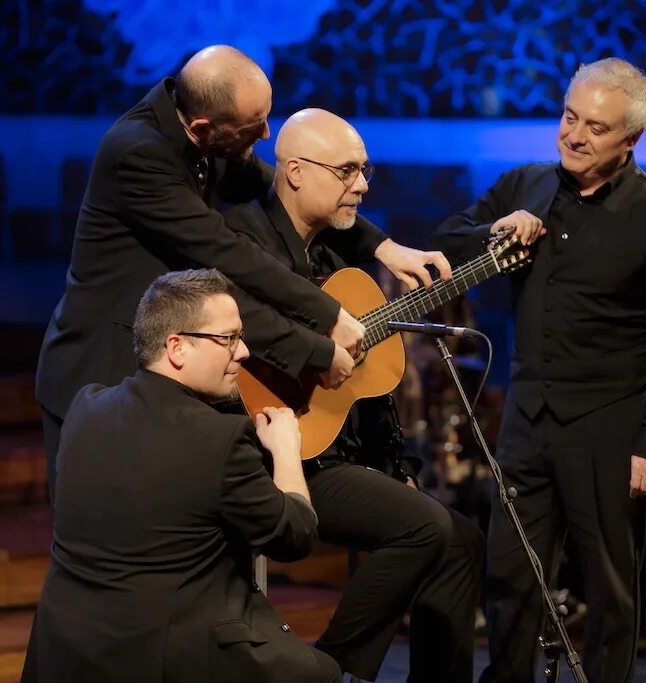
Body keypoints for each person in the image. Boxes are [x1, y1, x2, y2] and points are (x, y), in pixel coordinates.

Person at [35, 44, 448, 500]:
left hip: (159, 371)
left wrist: (383, 247)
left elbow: (286, 190)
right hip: (100, 368)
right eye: (255, 128)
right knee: (104, 533)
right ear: (203, 127)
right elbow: (226, 250)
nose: (267, 135)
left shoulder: (209, 133)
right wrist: (329, 316)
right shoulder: (137, 155)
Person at [430, 58, 646, 683]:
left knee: (609, 588)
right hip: (528, 419)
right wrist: (496, 231)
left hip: (609, 428)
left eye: (596, 128)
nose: (575, 135)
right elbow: (448, 237)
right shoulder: (526, 184)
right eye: (569, 117)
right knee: (508, 574)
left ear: (631, 140)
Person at [224, 108, 485, 683]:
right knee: (425, 528)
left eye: (365, 170)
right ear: (293, 172)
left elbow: (365, 391)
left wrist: (395, 468)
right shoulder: (242, 241)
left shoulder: (337, 253)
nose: (362, 185)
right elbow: (246, 326)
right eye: (347, 171)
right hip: (276, 448)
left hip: (340, 450)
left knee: (462, 538)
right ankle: (329, 667)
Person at [23, 269, 340, 683]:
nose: (243, 352)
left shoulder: (85, 408)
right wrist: (285, 451)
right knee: (323, 674)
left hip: (64, 652)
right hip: (163, 657)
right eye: (228, 338)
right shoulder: (220, 439)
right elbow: (294, 536)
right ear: (176, 347)